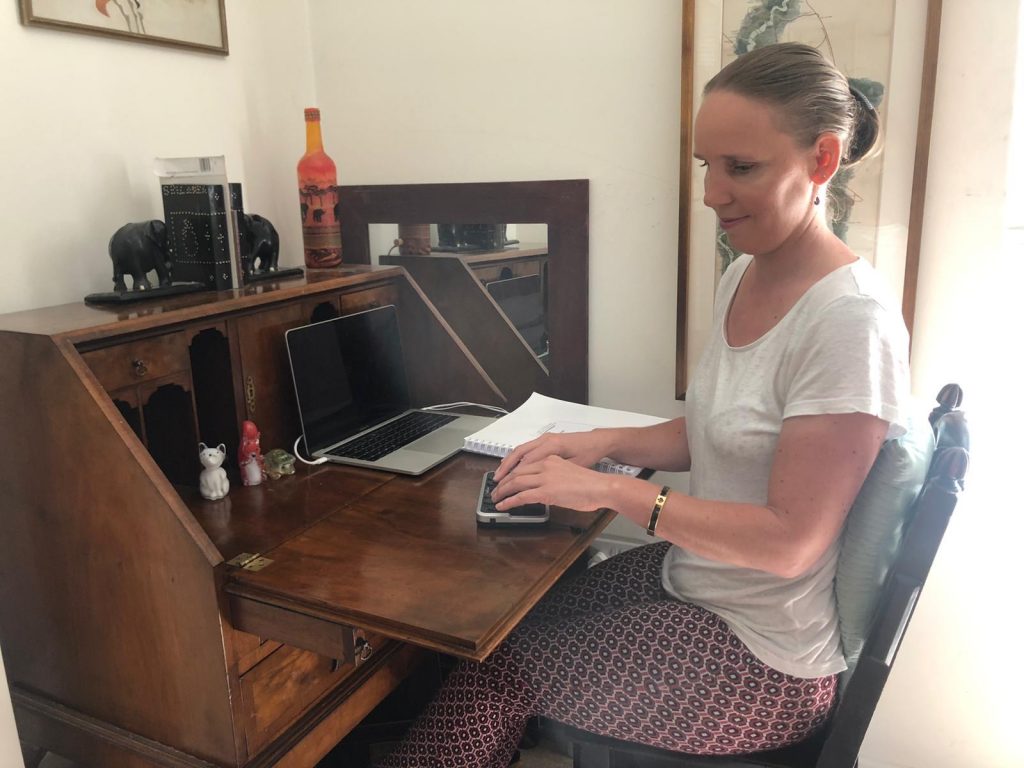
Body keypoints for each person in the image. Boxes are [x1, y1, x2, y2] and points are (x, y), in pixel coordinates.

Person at [377, 42, 910, 768]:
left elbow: (791, 543)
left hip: (764, 658)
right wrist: (596, 443)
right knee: (505, 628)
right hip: (699, 582)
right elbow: (719, 429)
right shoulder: (745, 276)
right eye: (706, 166)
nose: (712, 194)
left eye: (742, 168)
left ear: (822, 160)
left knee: (493, 675)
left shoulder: (850, 320)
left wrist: (610, 490)